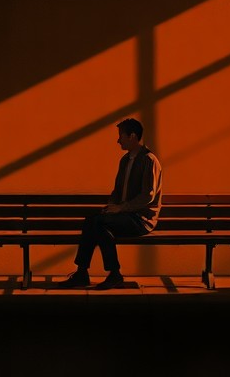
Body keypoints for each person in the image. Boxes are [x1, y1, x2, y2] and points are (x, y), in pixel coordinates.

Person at [56, 117, 163, 290]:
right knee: (94, 221)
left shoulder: (149, 160)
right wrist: (111, 207)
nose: (118, 140)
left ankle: (99, 274)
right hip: (124, 216)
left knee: (96, 223)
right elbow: (117, 191)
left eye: (121, 136)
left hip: (141, 220)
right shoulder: (125, 160)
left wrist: (120, 208)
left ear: (133, 136)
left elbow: (147, 196)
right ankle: (94, 273)